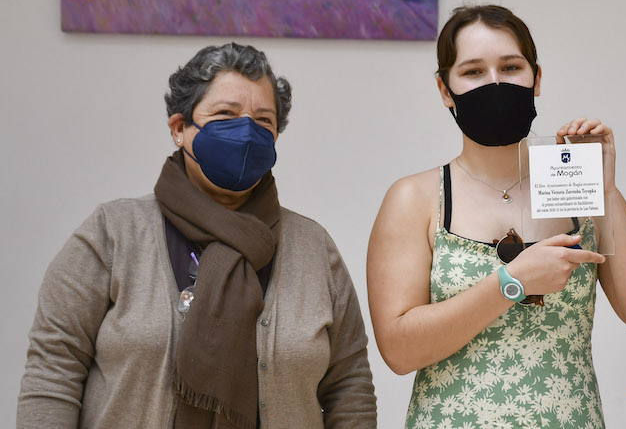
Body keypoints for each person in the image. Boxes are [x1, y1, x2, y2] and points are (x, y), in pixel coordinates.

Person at [17, 43, 377, 428]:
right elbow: (53, 372)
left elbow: (349, 386)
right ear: (179, 128)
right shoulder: (112, 234)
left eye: (263, 121)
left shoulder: (313, 248)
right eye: (226, 114)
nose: (246, 132)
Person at [367, 4, 626, 428]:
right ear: (444, 89)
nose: (494, 82)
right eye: (473, 71)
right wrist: (511, 283)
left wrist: (603, 194)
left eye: (511, 67)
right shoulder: (415, 199)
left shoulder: (579, 187)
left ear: (537, 78)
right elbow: (399, 352)